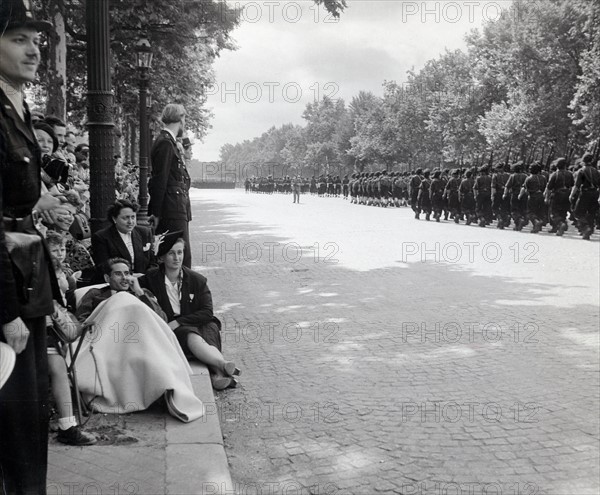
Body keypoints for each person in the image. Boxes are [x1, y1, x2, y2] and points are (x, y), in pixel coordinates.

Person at [0, 3, 63, 492]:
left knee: (31, 408)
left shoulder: (16, 106)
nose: (34, 49)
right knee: (15, 417)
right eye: (18, 38)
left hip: (28, 277)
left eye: (35, 39)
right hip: (8, 289)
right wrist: (5, 309)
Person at [74, 258, 205, 422]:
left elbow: (161, 319)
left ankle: (170, 392)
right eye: (118, 274)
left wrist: (139, 293)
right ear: (107, 278)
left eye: (127, 273)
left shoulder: (144, 293)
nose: (124, 278)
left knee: (156, 362)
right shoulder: (96, 294)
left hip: (141, 340)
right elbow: (82, 320)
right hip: (111, 341)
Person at [140, 233, 240, 391]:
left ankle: (219, 373)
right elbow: (131, 287)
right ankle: (222, 366)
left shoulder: (197, 280)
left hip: (201, 322)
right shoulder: (152, 278)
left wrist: (178, 321)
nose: (177, 258)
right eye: (171, 253)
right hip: (180, 330)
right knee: (189, 334)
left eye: (180, 252)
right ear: (162, 257)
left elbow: (207, 312)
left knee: (208, 334)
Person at [45, 231, 96, 446]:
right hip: (34, 330)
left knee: (61, 366)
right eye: (53, 250)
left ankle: (65, 421)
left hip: (53, 330)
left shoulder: (58, 272)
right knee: (57, 368)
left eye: (62, 249)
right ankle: (66, 425)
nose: (59, 254)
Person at [148, 104, 192, 268]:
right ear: (180, 119)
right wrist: (156, 213)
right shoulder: (166, 143)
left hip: (175, 206)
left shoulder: (169, 143)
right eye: (184, 119)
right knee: (180, 257)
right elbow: (160, 181)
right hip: (172, 208)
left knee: (179, 255)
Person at [92, 199, 155, 280]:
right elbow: (104, 267)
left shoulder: (145, 232)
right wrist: (130, 276)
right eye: (125, 218)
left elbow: (153, 262)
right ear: (114, 219)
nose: (130, 221)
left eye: (133, 217)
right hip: (117, 283)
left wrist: (146, 277)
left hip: (144, 280)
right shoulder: (101, 237)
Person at [571, 153, 600, 240]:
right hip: (595, 193)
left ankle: (585, 227)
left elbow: (577, 185)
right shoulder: (596, 171)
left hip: (585, 193)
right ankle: (589, 230)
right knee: (591, 213)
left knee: (578, 213)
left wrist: (571, 195)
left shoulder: (581, 171)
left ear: (583, 161)